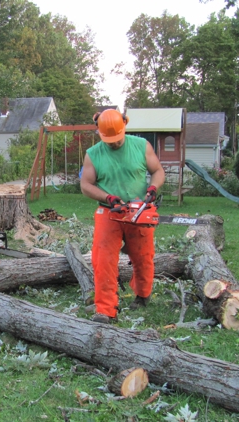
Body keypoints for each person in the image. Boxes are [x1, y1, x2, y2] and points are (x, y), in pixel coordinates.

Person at [80, 109, 165, 324]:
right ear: (98, 131)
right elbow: (86, 185)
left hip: (139, 209)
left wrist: (153, 188)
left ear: (125, 125)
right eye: (109, 140)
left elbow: (158, 171)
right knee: (103, 259)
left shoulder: (141, 145)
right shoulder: (93, 153)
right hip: (109, 212)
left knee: (143, 256)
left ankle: (143, 294)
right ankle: (106, 310)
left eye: (116, 139)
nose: (114, 144)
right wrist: (108, 198)